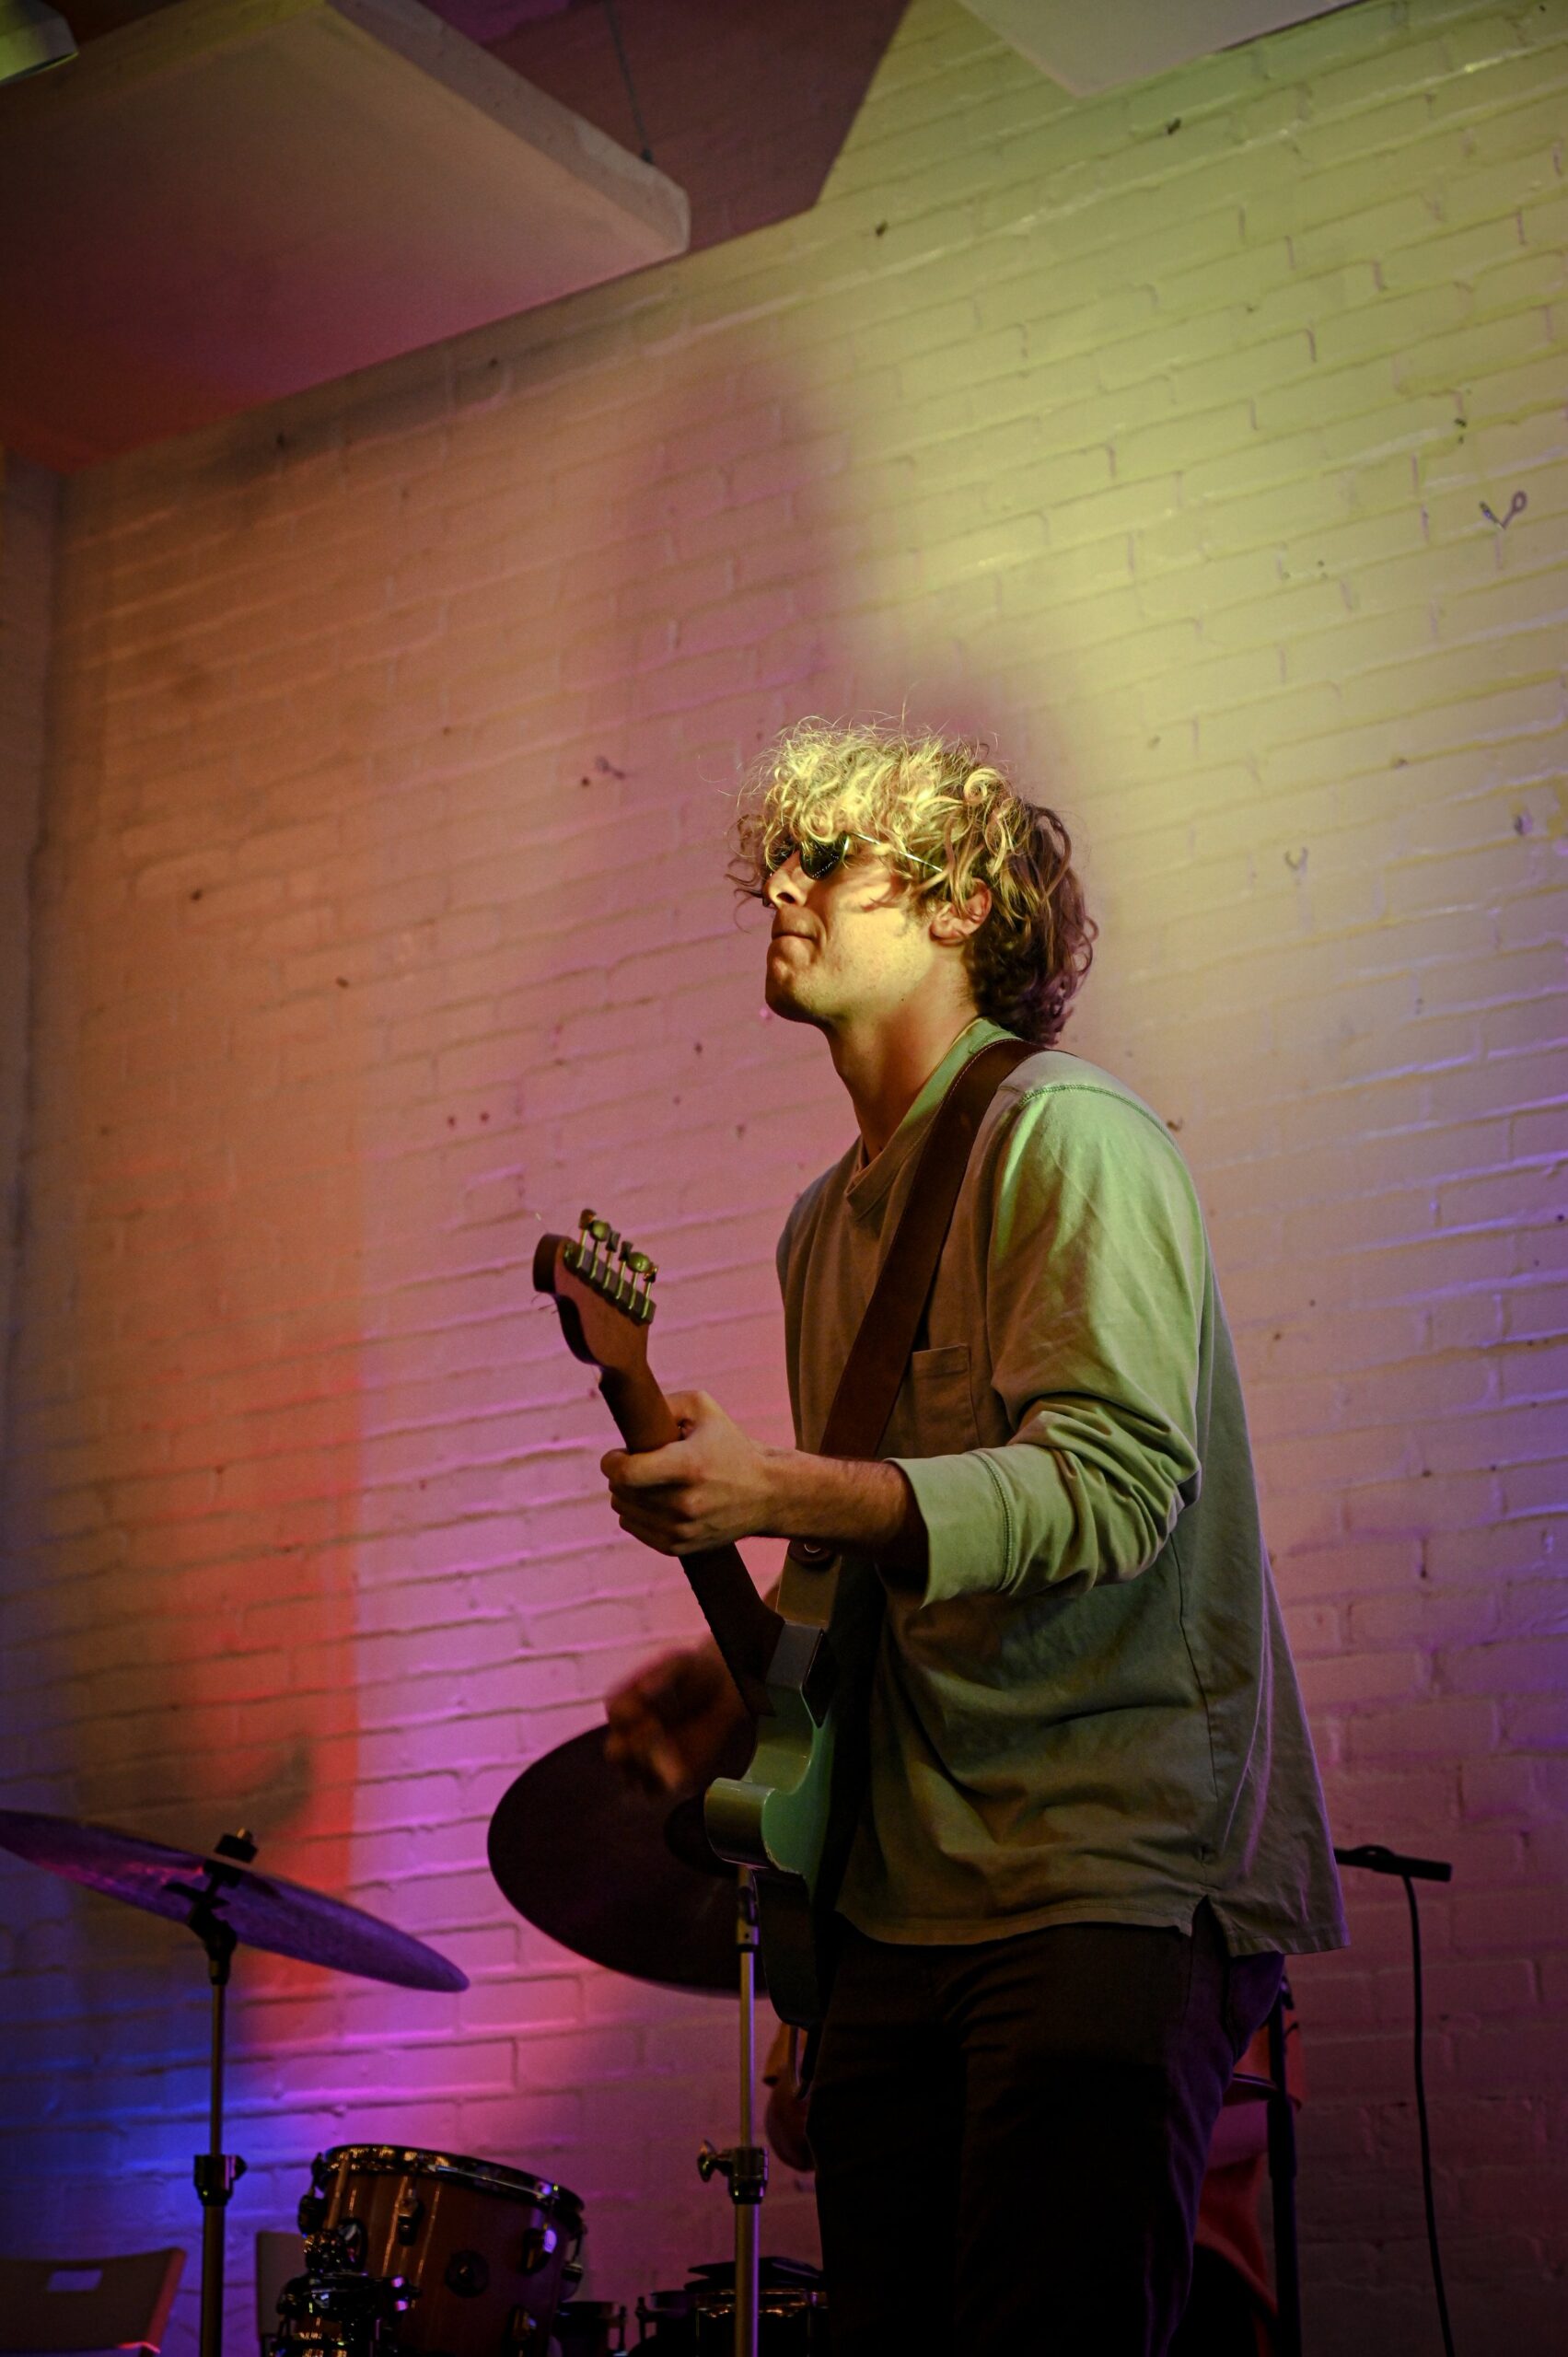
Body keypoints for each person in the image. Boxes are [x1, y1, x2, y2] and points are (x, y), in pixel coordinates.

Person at [600, 721, 1345, 2356]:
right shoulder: (821, 1228)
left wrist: (779, 1489)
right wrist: (749, 1692)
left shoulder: (1068, 1135)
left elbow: (1111, 1486)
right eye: (772, 864)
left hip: (1103, 1878)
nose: (780, 889)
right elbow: (896, 1558)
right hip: (898, 1912)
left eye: (827, 860)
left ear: (959, 903)